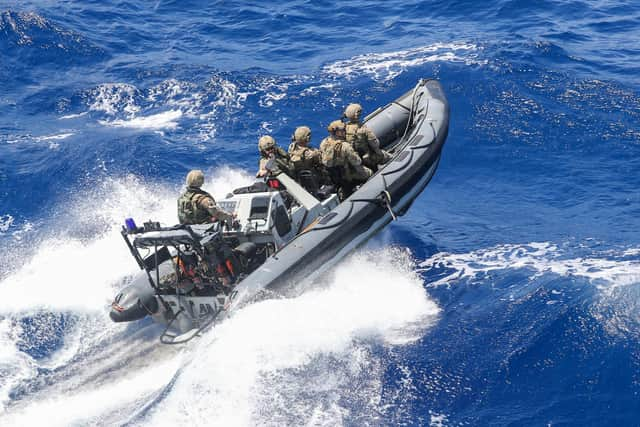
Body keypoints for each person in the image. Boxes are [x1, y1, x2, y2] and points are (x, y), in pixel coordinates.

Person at [320, 120, 372, 198]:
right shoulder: (345, 146)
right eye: (343, 130)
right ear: (337, 132)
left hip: (333, 176)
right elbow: (357, 162)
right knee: (370, 172)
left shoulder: (323, 143)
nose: (345, 131)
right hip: (347, 175)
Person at [343, 103, 391, 170]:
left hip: (354, 158)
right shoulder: (363, 129)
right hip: (366, 157)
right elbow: (375, 144)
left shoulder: (343, 128)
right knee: (388, 157)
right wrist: (379, 152)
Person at [288, 126, 328, 192]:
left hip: (298, 177)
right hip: (312, 176)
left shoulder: (292, 147)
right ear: (307, 138)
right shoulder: (311, 153)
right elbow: (320, 161)